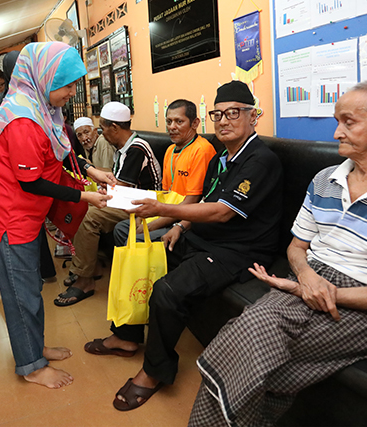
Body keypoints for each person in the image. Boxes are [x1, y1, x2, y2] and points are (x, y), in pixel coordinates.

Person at [189, 80, 367, 427]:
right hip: (312, 278)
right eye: (337, 121)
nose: (335, 133)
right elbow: (297, 248)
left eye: (349, 122)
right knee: (259, 343)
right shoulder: (324, 180)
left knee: (251, 335)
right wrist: (307, 276)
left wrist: (312, 290)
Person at [95, 81, 284, 411]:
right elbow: (206, 201)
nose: (224, 121)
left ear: (253, 116)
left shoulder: (260, 160)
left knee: (168, 290)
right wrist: (180, 226)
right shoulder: (221, 158)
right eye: (218, 114)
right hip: (203, 236)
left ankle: (155, 371)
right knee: (140, 252)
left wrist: (165, 212)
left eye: (234, 113)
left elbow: (223, 212)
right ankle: (126, 335)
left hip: (240, 250)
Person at [0, 42, 115, 389]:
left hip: (25, 211)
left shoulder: (41, 109)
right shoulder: (23, 119)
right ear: (44, 78)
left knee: (31, 288)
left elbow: (56, 157)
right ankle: (31, 365)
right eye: (66, 85)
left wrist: (90, 171)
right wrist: (84, 194)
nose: (71, 93)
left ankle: (34, 347)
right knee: (20, 293)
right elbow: (32, 180)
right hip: (11, 214)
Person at [55, 101, 162, 307]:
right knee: (81, 207)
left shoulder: (136, 148)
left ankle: (85, 280)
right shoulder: (122, 147)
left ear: (114, 127)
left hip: (143, 207)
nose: (102, 134)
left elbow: (120, 188)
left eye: (103, 129)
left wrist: (101, 192)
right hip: (128, 200)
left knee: (90, 216)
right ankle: (88, 268)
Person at [112, 99, 216, 245]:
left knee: (137, 237)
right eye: (169, 121)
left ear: (195, 123)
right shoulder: (170, 150)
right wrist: (142, 218)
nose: (172, 127)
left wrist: (152, 225)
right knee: (121, 229)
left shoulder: (202, 150)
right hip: (167, 211)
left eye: (179, 122)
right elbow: (164, 195)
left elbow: (192, 201)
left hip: (186, 219)